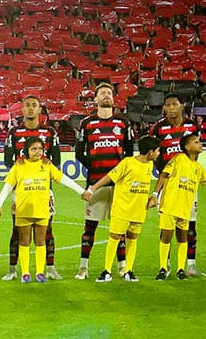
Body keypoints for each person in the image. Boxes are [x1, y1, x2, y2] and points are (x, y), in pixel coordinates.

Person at [0, 137, 87, 283]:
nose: (37, 152)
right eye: (34, 149)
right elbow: (8, 187)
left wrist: (81, 191)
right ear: (26, 151)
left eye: (40, 149)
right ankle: (25, 273)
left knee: (41, 241)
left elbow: (64, 179)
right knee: (24, 241)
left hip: (42, 210)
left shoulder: (47, 165)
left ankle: (40, 273)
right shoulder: (18, 166)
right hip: (23, 210)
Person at [152, 133, 206, 281]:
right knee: (166, 236)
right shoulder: (178, 159)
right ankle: (163, 268)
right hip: (169, 205)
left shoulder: (197, 167)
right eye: (196, 142)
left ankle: (180, 269)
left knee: (182, 238)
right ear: (187, 147)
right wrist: (155, 194)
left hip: (184, 208)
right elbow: (163, 175)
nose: (200, 144)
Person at [74, 82, 134, 280]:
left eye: (109, 93)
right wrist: (93, 166)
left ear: (113, 98)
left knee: (120, 228)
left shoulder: (124, 123)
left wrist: (119, 173)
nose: (106, 95)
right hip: (95, 183)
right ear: (96, 99)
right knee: (89, 227)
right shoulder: (86, 123)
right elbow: (79, 153)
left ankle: (122, 267)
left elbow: (129, 153)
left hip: (119, 185)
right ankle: (83, 268)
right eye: (102, 93)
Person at [1, 95, 62, 280]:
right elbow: (7, 160)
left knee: (47, 231)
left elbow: (57, 159)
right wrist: (19, 162)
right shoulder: (14, 132)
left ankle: (50, 268)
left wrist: (47, 162)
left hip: (44, 191)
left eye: (34, 105)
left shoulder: (50, 132)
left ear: (39, 109)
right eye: (27, 105)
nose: (30, 108)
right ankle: (13, 270)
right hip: (21, 191)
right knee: (17, 231)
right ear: (22, 109)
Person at [83, 135, 160, 282]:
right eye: (157, 151)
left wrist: (153, 196)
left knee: (133, 238)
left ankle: (128, 271)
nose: (158, 153)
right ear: (150, 152)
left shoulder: (150, 165)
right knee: (115, 237)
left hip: (139, 210)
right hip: (122, 209)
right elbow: (109, 177)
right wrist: (92, 189)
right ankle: (106, 271)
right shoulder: (128, 162)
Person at [149, 93, 204, 275]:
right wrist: (162, 171)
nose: (171, 108)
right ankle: (165, 265)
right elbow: (154, 153)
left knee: (190, 225)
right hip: (167, 184)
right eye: (168, 105)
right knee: (166, 227)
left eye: (174, 104)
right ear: (164, 108)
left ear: (182, 105)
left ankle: (191, 265)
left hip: (188, 183)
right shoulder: (158, 128)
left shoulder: (192, 126)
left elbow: (197, 150)